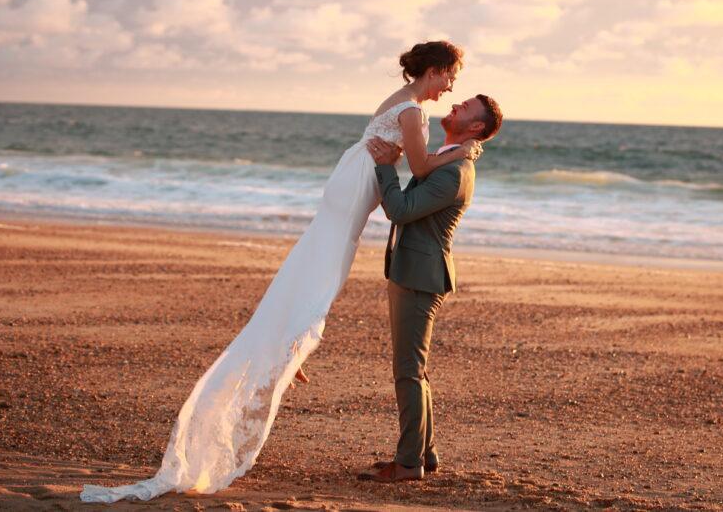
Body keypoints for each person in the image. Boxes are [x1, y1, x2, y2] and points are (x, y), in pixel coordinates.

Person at [80, 41, 481, 503]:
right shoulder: (413, 114)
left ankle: (290, 343)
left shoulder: (395, 102)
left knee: (316, 266)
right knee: (325, 272)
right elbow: (420, 166)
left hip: (345, 184)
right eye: (451, 76)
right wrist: (464, 151)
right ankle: (289, 345)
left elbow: (396, 160)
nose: (451, 86)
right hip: (355, 194)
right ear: (434, 71)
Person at [359, 93, 503, 483]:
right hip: (414, 271)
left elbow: (401, 210)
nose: (455, 105)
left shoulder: (453, 172)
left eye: (465, 108)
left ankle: (408, 464)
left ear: (476, 128)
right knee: (415, 370)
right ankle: (425, 452)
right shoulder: (449, 160)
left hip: (420, 278)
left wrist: (386, 167)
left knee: (407, 371)